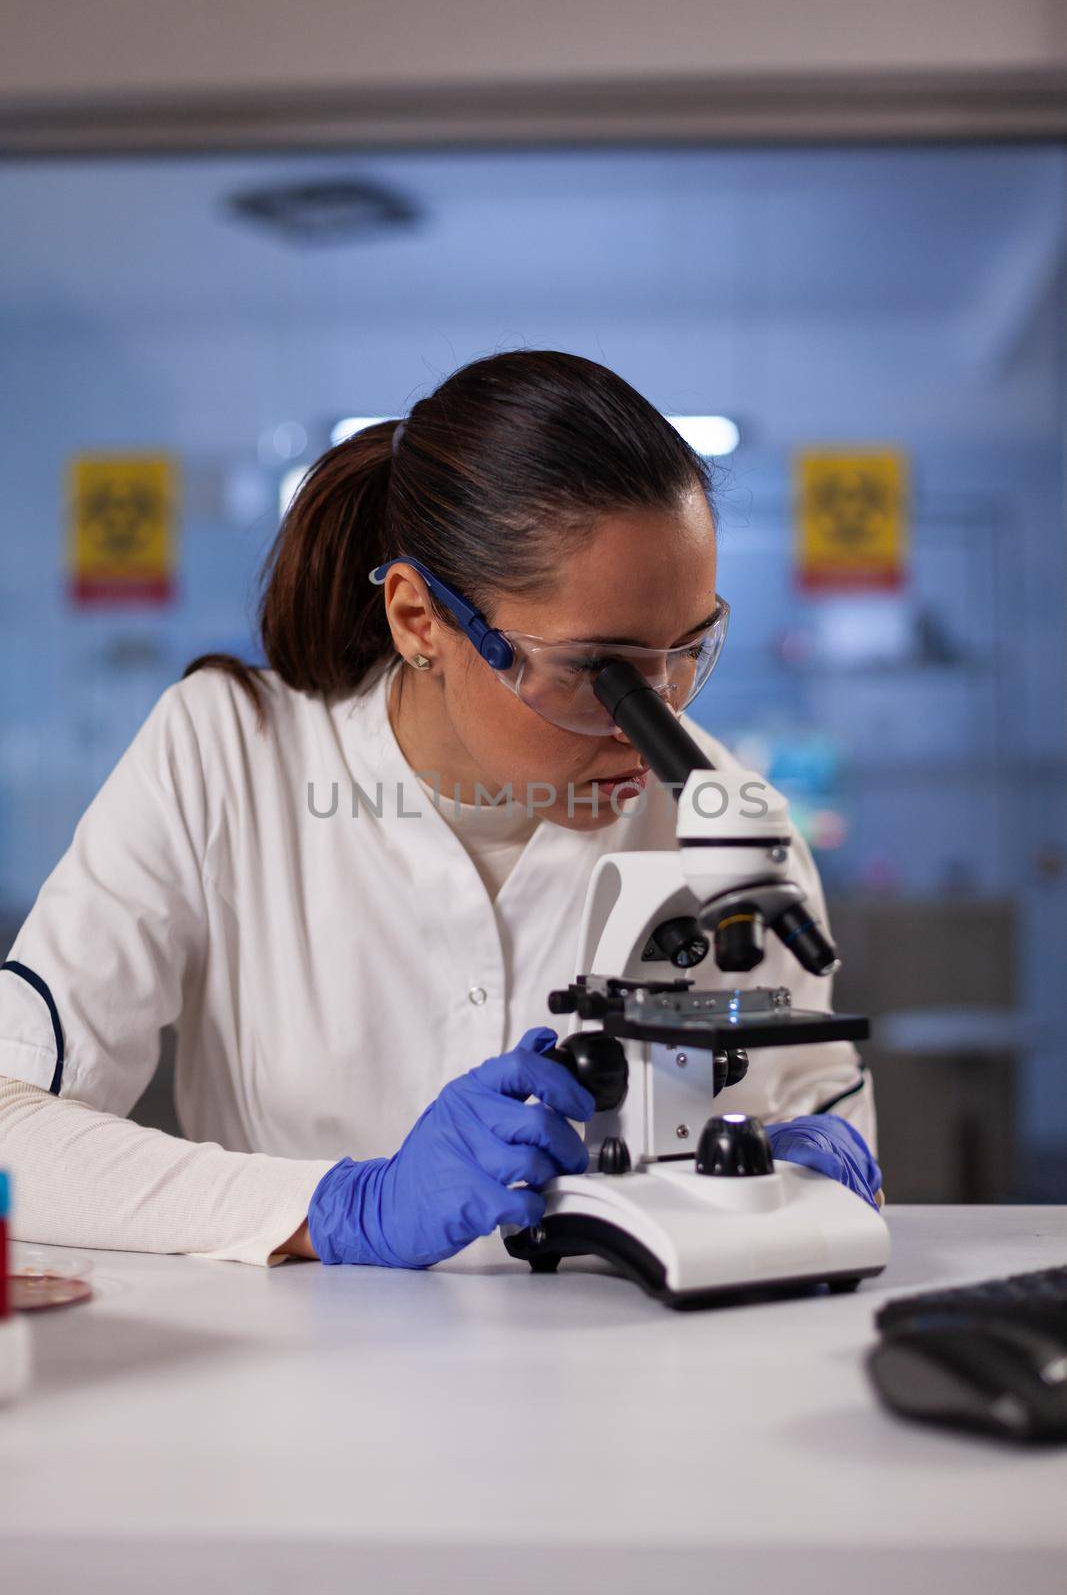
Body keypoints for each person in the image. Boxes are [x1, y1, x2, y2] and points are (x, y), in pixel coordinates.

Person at [0, 348, 880, 1271]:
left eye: (688, 651)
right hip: (287, 1392)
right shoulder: (225, 752)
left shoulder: (724, 819)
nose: (653, 723)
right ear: (420, 619)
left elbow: (818, 1123)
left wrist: (818, 1168)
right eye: (599, 674)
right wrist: (340, 1207)